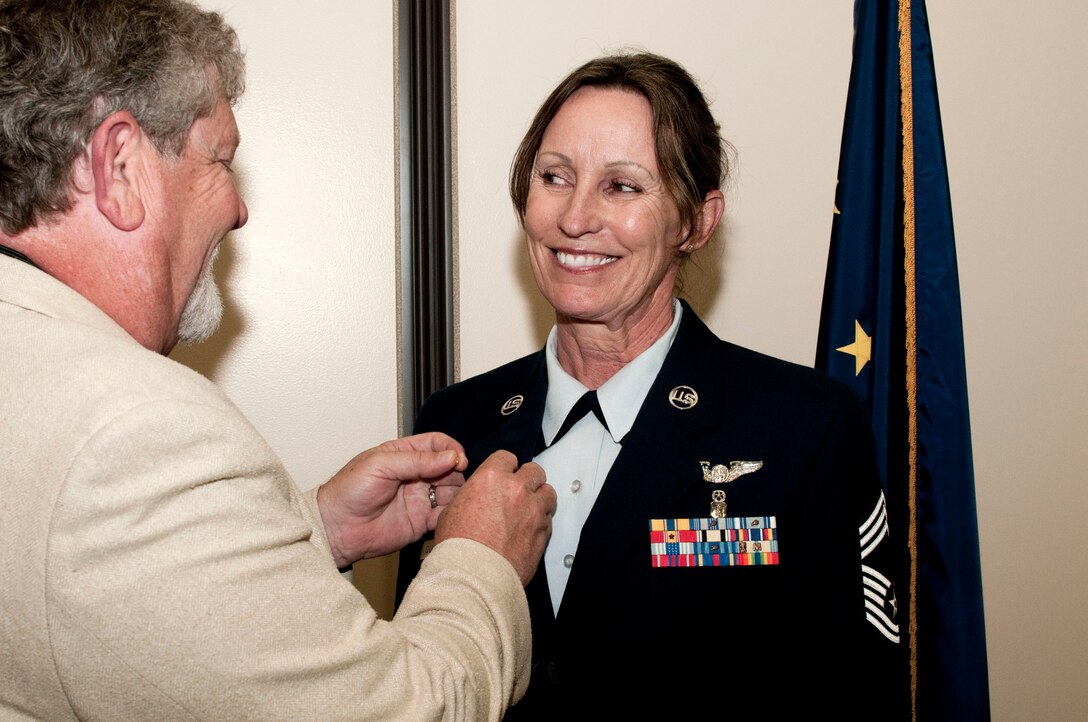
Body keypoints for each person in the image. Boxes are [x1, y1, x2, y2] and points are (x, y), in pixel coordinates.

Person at [0, 0, 557, 719]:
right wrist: (481, 557)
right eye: (218, 161)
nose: (238, 209)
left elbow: (90, 587)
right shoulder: (132, 437)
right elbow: (412, 709)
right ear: (120, 166)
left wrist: (312, 525)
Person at [396, 51, 910, 718]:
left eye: (623, 187)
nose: (575, 218)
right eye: (555, 177)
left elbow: (857, 694)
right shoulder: (455, 424)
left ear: (696, 222)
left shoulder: (806, 429)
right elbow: (421, 682)